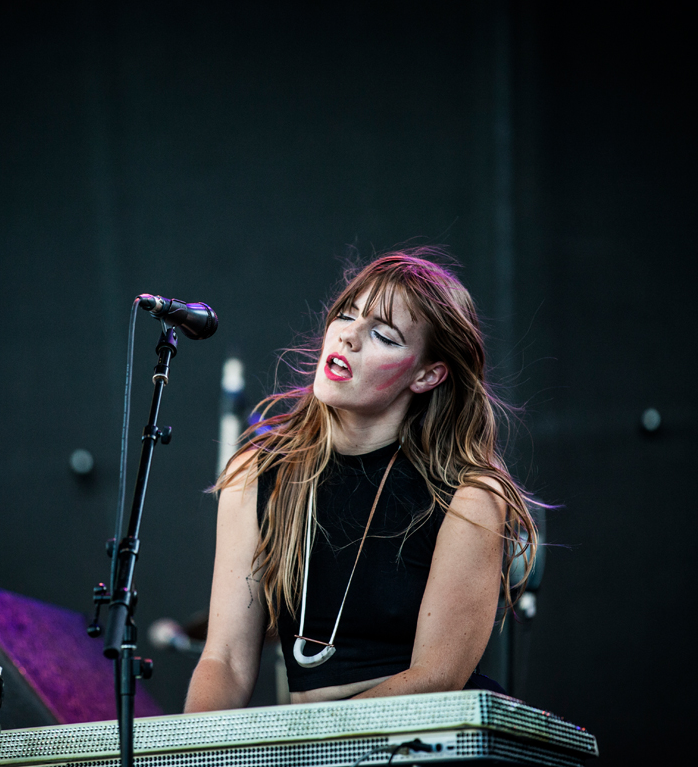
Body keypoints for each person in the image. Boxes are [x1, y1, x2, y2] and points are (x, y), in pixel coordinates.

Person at [184, 248, 541, 711]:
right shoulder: (255, 475)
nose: (348, 337)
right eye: (347, 315)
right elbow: (226, 661)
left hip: (415, 744)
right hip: (311, 745)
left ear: (428, 374)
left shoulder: (468, 497)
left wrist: (309, 741)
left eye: (384, 336)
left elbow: (438, 677)